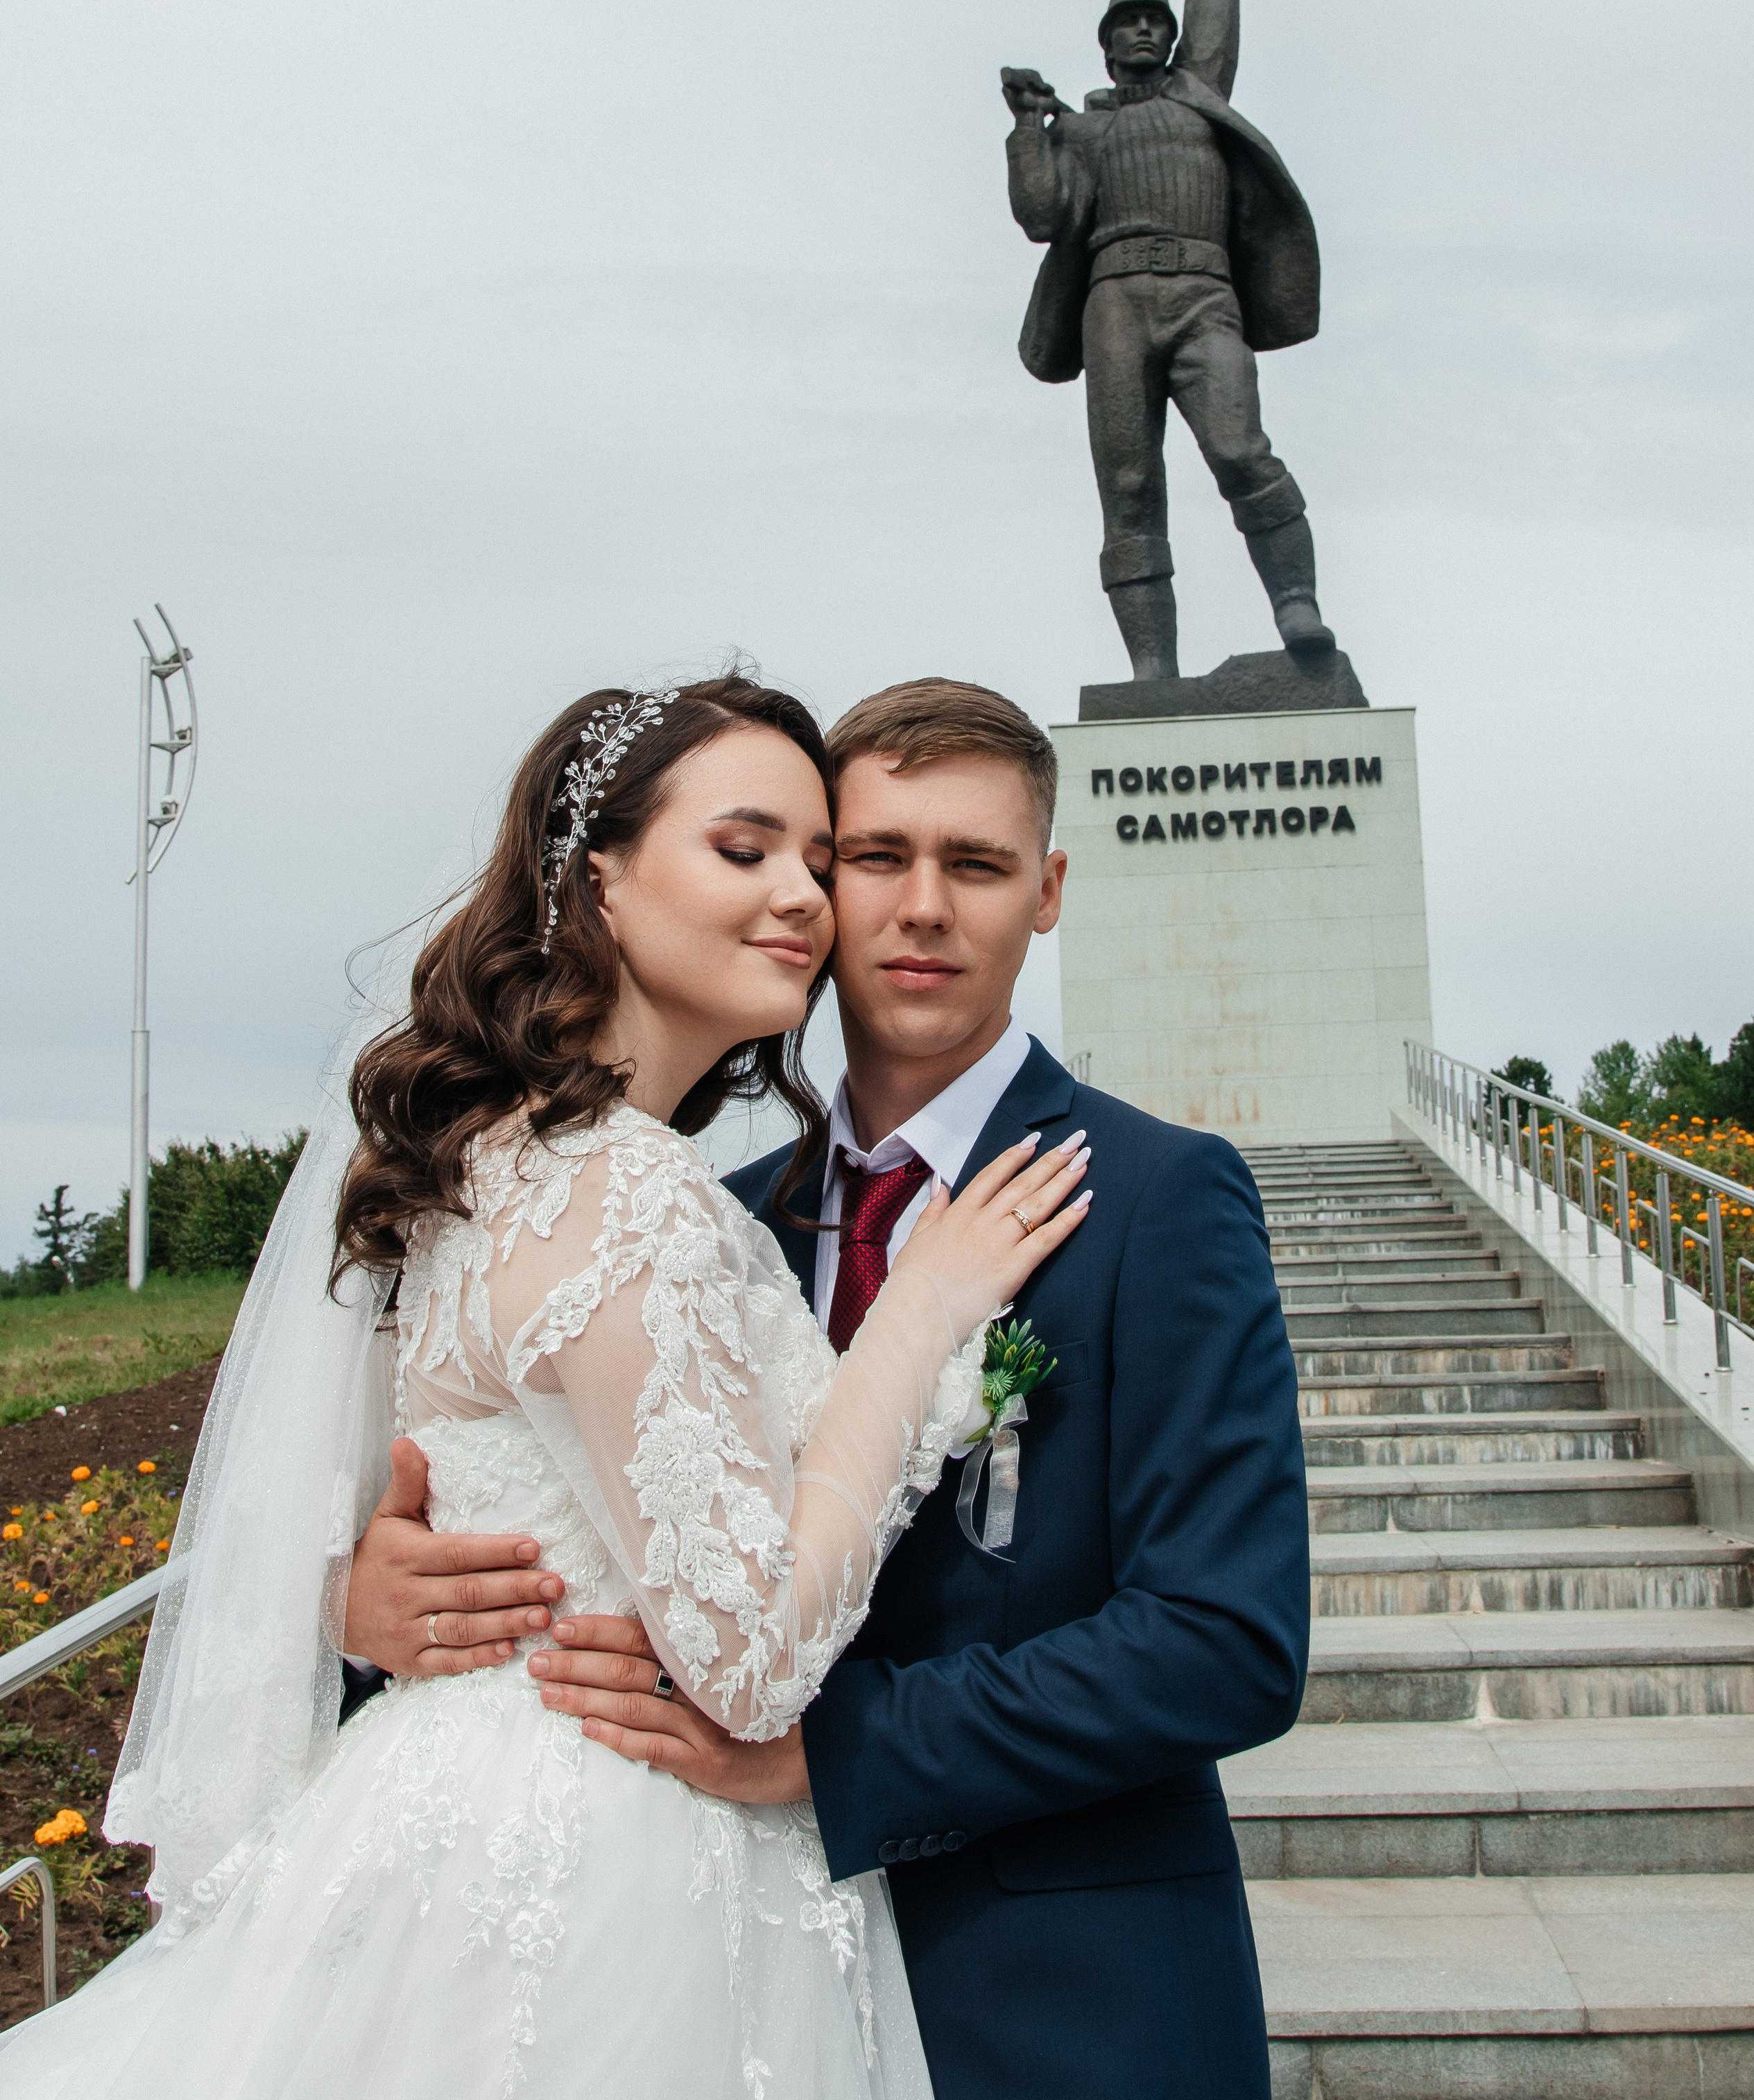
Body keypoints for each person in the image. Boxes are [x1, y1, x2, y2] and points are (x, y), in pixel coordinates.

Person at [0, 672, 1090, 2099]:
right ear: (599, 878)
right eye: (744, 848)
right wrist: (919, 1323)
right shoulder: (624, 1189)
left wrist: (351, 1586)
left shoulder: (490, 1163)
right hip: (611, 1865)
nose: (805, 898)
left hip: (466, 1807)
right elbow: (750, 1666)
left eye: (820, 862)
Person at [347, 676, 1310, 2099]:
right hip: (692, 1983)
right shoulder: (701, 1213)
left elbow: (1224, 1639)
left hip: (1059, 2002)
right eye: (873, 857)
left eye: (975, 865)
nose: (921, 908)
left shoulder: (1157, 1199)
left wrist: (833, 1755)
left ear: (1045, 893)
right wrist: (376, 1613)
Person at [1001, 0, 1331, 679]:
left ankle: (1297, 602)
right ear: (1107, 45)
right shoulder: (1081, 128)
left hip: (1203, 295)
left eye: (1156, 21)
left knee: (1240, 449)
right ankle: (1153, 671)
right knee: (1128, 487)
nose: (1146, 28)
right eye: (1129, 22)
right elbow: (1041, 218)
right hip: (1113, 302)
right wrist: (1030, 129)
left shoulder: (1199, 90)